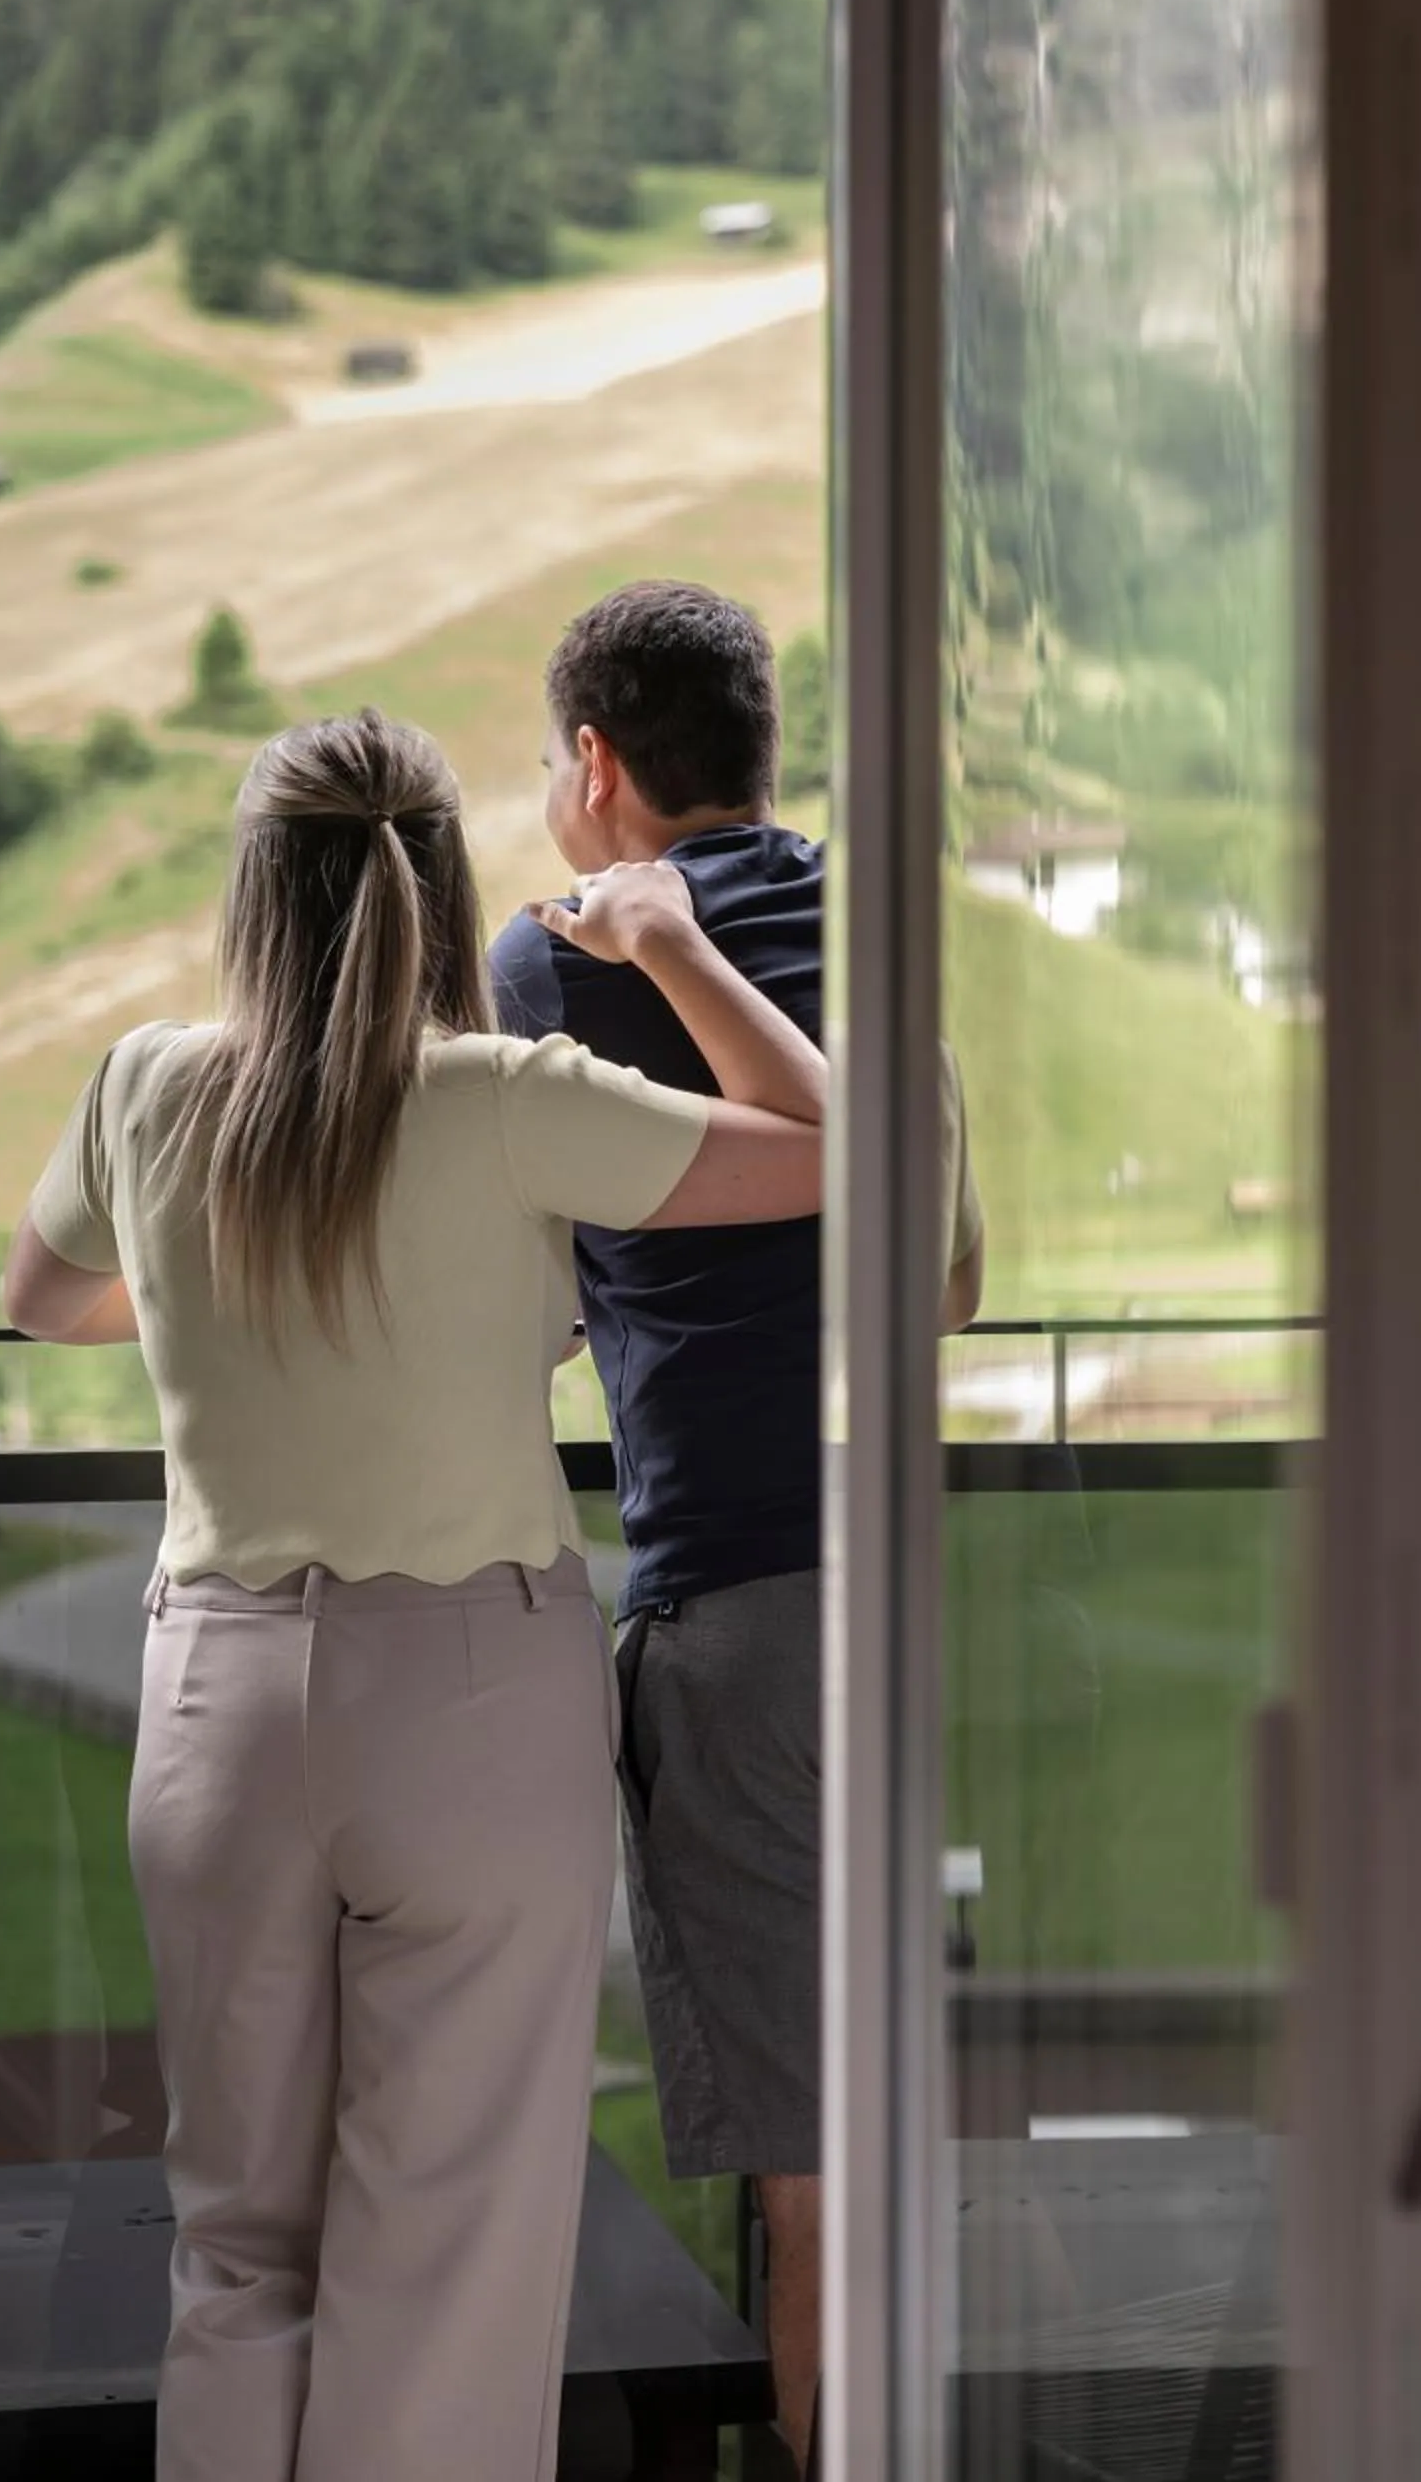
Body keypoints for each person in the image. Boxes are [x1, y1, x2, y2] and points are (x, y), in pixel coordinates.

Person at [2, 707, 826, 2482]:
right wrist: (668, 940)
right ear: (440, 885)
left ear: (251, 892)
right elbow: (825, 1143)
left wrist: (233, 1269)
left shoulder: (147, 1086)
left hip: (219, 1704)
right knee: (445, 2243)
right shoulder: (507, 1100)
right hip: (472, 1703)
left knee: (235, 2244)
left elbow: (40, 1298)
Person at [491, 583, 983, 2474]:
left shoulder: (548, 970)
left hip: (737, 1608)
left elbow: (505, 1269)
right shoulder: (886, 932)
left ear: (597, 767)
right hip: (916, 1596)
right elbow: (941, 1285)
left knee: (808, 2170)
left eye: (552, 759)